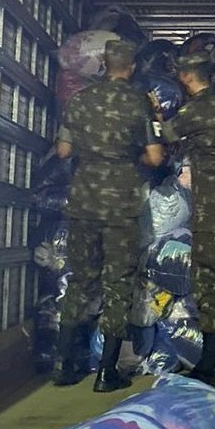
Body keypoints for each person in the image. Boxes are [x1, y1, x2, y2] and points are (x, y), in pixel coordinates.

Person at [54, 38, 164, 391]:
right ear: (130, 67)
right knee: (119, 283)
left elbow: (63, 150)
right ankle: (106, 371)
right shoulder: (138, 103)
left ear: (103, 63)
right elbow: (155, 158)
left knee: (81, 280)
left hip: (83, 200)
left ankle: (64, 365)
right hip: (121, 204)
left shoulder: (80, 101)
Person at [158, 52, 215, 387]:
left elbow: (167, 134)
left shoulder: (193, 110)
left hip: (210, 210)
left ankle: (212, 363)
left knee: (208, 281)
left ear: (187, 77)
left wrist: (155, 113)